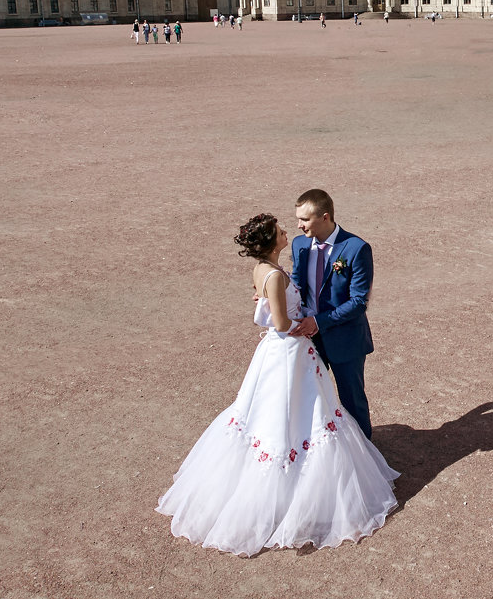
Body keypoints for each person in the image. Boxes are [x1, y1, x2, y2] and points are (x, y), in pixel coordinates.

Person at [157, 214, 398, 556]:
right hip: (288, 350)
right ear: (273, 241)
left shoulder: (263, 269)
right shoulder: (272, 274)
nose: (290, 232)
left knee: (280, 409)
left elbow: (268, 309)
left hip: (279, 350)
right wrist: (308, 323)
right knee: (299, 409)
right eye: (282, 231)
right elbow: (283, 322)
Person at [288, 189, 376, 439]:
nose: (298, 225)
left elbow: (359, 302)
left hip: (345, 340)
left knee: (352, 401)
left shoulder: (356, 248)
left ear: (325, 217)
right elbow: (296, 284)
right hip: (309, 339)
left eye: (304, 219)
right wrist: (269, 294)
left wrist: (318, 321)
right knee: (310, 398)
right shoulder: (299, 244)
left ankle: (365, 459)